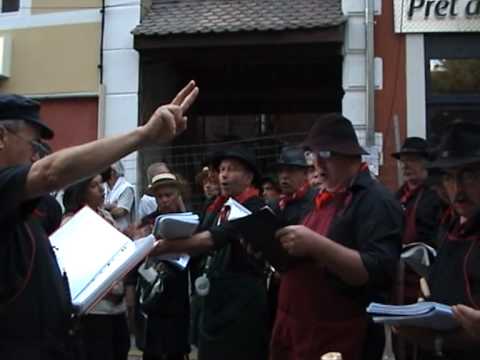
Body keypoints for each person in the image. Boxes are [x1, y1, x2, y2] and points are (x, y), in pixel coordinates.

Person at [0, 81, 198, 359]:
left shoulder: (30, 208)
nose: (36, 153)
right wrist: (144, 135)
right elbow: (51, 173)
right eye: (32, 143)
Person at [270, 114, 403, 360]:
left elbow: (377, 270)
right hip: (296, 329)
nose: (318, 164)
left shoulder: (376, 201)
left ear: (351, 156)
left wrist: (315, 244)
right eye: (313, 155)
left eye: (326, 155)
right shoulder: (317, 198)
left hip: (339, 336)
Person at [152, 144, 269, 360]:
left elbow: (210, 239)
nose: (223, 175)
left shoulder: (254, 207)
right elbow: (200, 232)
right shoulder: (218, 207)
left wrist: (164, 247)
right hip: (216, 304)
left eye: (231, 169)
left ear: (249, 176)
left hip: (242, 306)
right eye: (222, 169)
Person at [396, 120, 480, 359]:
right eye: (451, 178)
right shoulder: (450, 226)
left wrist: (437, 342)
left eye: (470, 176)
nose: (459, 190)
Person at [62, 175, 131, 360]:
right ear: (80, 192)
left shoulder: (106, 216)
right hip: (94, 310)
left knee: (120, 350)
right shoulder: (71, 224)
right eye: (93, 185)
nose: (101, 189)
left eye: (101, 184)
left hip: (117, 305)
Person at [137, 171, 191, 360]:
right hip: (153, 289)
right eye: (160, 196)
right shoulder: (147, 222)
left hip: (180, 289)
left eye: (169, 195)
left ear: (177, 195)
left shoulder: (190, 219)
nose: (165, 200)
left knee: (176, 347)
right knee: (153, 347)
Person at [391, 137, 442, 305]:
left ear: (426, 162)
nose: (405, 166)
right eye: (403, 161)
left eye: (412, 160)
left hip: (425, 280)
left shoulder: (436, 196)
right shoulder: (396, 197)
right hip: (398, 279)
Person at [103, 160, 135, 232]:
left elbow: (120, 212)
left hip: (123, 232)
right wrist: (108, 207)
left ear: (113, 172)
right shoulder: (104, 187)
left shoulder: (126, 188)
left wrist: (103, 211)